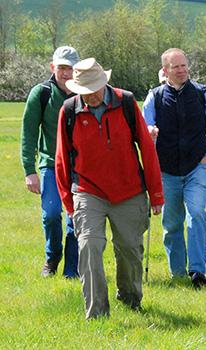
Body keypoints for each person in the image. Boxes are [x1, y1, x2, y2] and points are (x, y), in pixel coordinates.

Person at [55, 58, 164, 319]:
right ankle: (97, 314)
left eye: (94, 89)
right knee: (89, 246)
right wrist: (70, 204)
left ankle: (129, 298)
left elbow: (147, 150)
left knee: (129, 250)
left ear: (104, 83)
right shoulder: (69, 110)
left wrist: (156, 193)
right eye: (85, 91)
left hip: (129, 191)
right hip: (87, 191)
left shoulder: (125, 102)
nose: (90, 96)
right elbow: (62, 158)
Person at [143, 48, 206, 288]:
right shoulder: (155, 96)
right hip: (166, 170)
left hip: (195, 168)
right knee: (171, 223)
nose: (181, 70)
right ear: (165, 70)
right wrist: (150, 132)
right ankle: (177, 274)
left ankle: (198, 272)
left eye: (184, 65)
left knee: (197, 214)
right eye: (176, 66)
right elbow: (144, 127)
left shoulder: (203, 94)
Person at [20, 46, 80, 278]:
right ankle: (52, 257)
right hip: (50, 165)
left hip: (80, 167)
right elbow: (29, 133)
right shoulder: (42, 93)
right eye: (62, 68)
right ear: (53, 67)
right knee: (52, 214)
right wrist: (29, 170)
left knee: (76, 217)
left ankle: (72, 269)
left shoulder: (84, 93)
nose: (66, 73)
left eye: (70, 68)